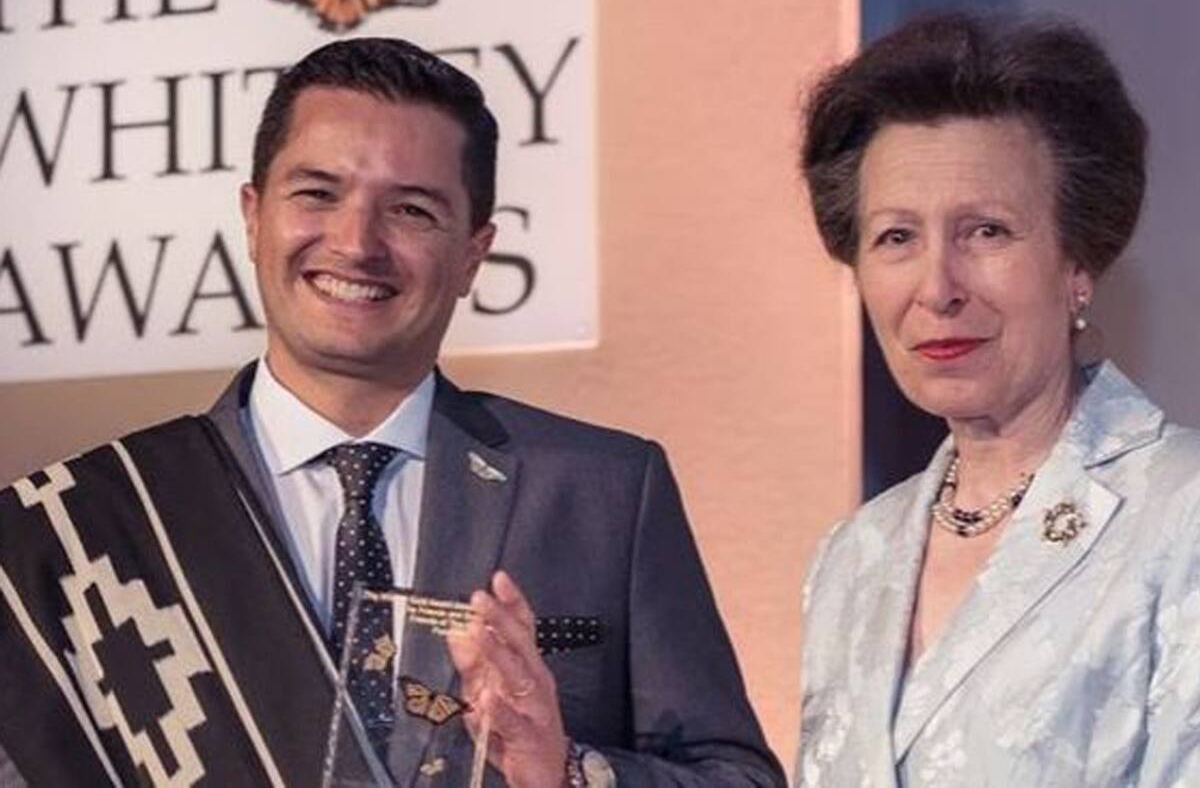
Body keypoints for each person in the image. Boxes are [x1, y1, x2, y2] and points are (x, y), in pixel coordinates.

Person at [0, 38, 784, 788]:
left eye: (411, 211)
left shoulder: (604, 490)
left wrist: (568, 769)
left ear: (474, 252)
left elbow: (739, 778)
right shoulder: (90, 529)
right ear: (252, 215)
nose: (355, 243)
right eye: (317, 193)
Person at [795, 12, 1200, 786]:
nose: (938, 288)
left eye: (985, 232)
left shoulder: (1181, 514)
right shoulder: (851, 557)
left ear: (1078, 261)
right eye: (896, 238)